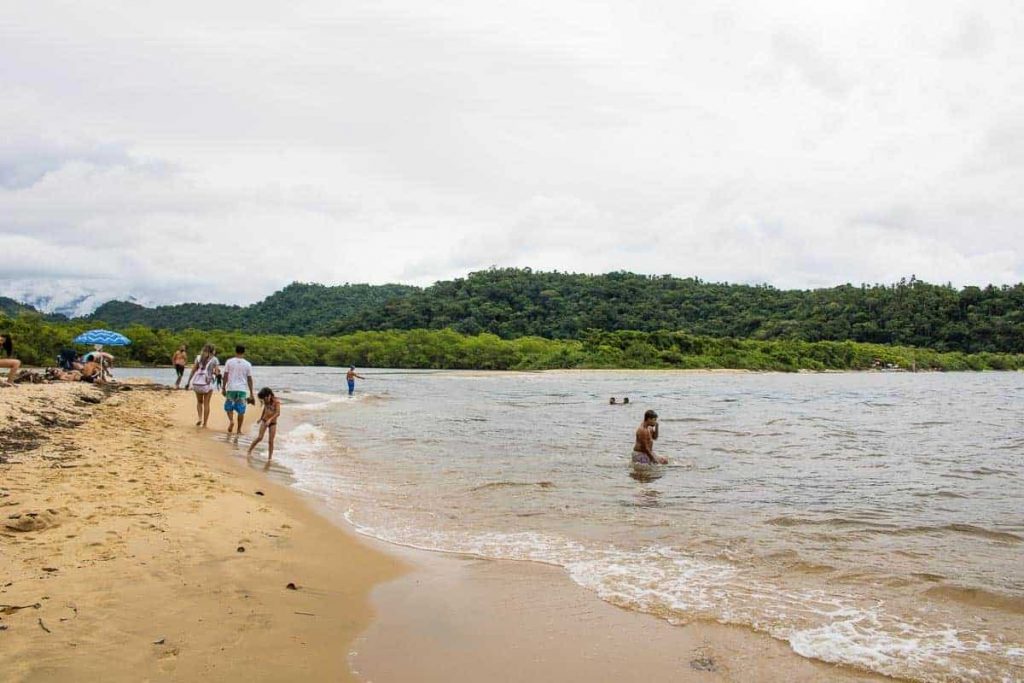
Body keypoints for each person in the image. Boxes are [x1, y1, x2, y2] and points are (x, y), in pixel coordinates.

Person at [221, 345, 255, 434]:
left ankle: (231, 421)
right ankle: (239, 430)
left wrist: (223, 387)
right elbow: (249, 379)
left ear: (235, 351)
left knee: (229, 408)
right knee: (241, 411)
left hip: (231, 388)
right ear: (244, 352)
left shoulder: (229, 362)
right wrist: (251, 393)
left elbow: (225, 375)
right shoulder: (247, 364)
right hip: (242, 390)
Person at [185, 344, 219, 427]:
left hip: (197, 383)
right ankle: (205, 423)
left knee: (199, 402)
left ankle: (200, 418)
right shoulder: (214, 360)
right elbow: (217, 372)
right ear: (212, 351)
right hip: (208, 383)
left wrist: (188, 382)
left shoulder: (198, 358)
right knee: (206, 403)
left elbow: (193, 370)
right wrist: (216, 373)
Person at [247, 387, 281, 465]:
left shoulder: (276, 402)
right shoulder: (266, 401)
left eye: (265, 398)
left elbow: (278, 413)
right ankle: (249, 451)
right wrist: (261, 418)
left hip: (273, 423)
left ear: (269, 395)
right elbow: (264, 410)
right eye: (263, 399)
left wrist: (270, 419)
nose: (264, 401)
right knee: (260, 437)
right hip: (264, 420)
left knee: (271, 441)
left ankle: (270, 458)